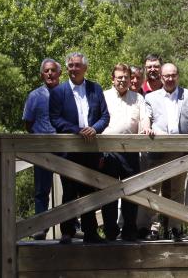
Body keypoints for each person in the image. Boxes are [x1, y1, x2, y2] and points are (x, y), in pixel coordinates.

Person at [48, 52, 110, 244]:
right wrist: (77, 131)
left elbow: (105, 116)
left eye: (77, 66)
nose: (73, 69)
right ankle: (67, 232)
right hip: (68, 150)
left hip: (91, 149)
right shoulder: (59, 91)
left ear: (85, 68)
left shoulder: (95, 89)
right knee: (69, 191)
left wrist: (94, 129)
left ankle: (90, 232)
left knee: (89, 191)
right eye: (70, 66)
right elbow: (55, 118)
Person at [145, 62, 188, 241]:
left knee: (178, 190)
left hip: (180, 150)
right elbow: (147, 120)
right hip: (158, 149)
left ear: (178, 76)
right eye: (166, 76)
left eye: (173, 75)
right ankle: (153, 227)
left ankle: (175, 227)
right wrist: (147, 128)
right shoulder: (151, 98)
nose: (170, 79)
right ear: (161, 77)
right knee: (154, 189)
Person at [102, 63, 149, 241]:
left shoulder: (138, 98)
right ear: (113, 79)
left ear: (131, 79)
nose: (122, 80)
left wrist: (146, 128)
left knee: (131, 192)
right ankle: (110, 231)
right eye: (119, 77)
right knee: (109, 193)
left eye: (126, 77)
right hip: (108, 151)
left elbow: (144, 118)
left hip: (131, 151)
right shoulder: (103, 96)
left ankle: (130, 229)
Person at [22, 58, 61, 240]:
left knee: (70, 185)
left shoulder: (67, 94)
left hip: (64, 146)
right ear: (41, 74)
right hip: (42, 148)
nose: (50, 74)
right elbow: (28, 123)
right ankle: (40, 226)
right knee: (41, 190)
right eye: (46, 71)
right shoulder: (34, 96)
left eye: (53, 70)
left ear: (59, 73)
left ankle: (70, 226)